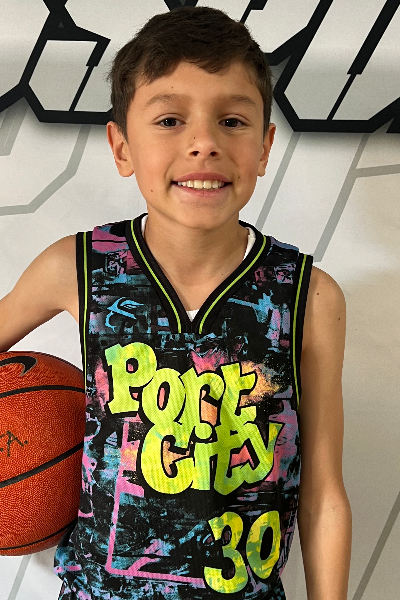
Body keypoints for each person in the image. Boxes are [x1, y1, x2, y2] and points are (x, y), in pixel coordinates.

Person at [0, 6, 352, 600]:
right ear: (121, 147)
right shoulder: (78, 267)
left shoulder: (308, 295)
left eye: (233, 121)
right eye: (169, 119)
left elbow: (324, 496)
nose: (204, 144)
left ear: (265, 147)